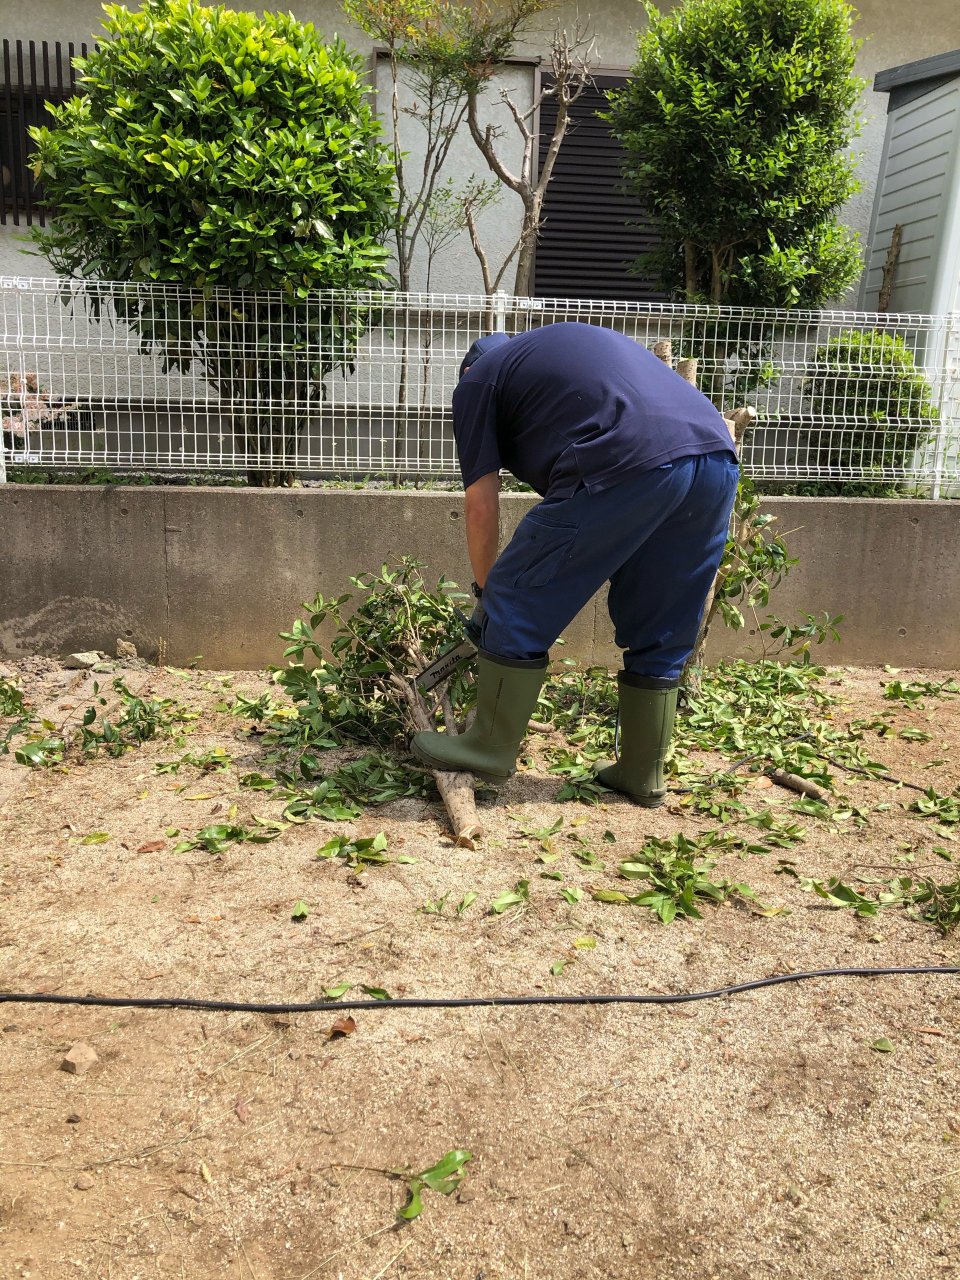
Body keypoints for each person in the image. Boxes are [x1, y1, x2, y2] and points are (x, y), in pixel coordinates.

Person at [411, 322, 739, 807]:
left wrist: (488, 595)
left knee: (517, 592)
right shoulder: (563, 356)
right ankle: (642, 770)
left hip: (628, 453)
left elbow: (481, 504)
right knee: (661, 618)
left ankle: (488, 748)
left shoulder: (479, 380)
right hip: (714, 456)